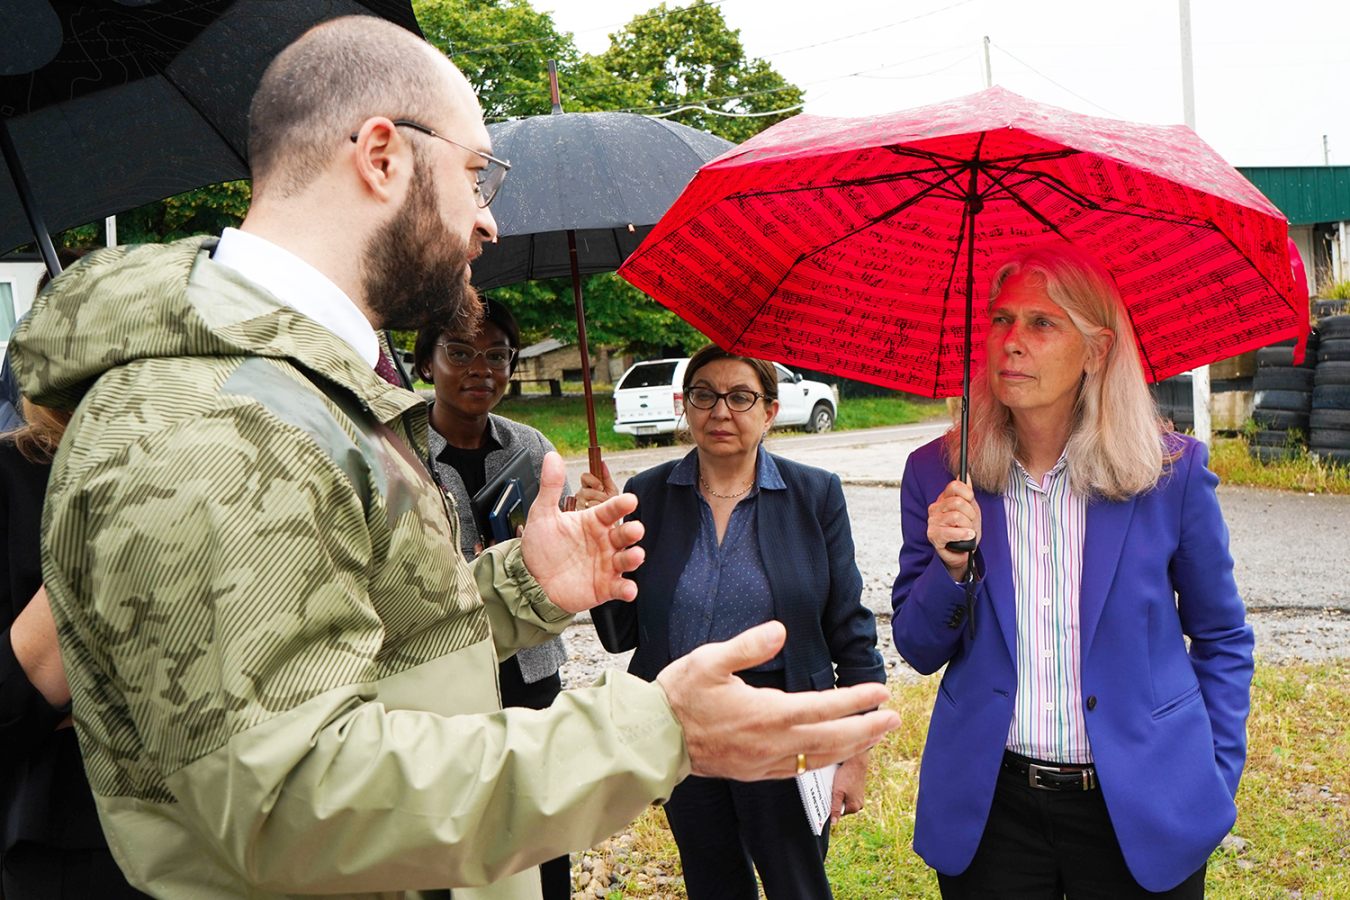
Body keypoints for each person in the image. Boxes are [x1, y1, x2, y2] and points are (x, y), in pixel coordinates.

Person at [9, 17, 898, 900]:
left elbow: (348, 645)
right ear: (383, 157)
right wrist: (652, 730)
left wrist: (515, 593)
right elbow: (289, 801)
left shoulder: (303, 387)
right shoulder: (215, 414)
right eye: (477, 176)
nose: (489, 221)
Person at [890, 244, 1253, 899]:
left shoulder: (1169, 475)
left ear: (1096, 349)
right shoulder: (939, 474)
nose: (1011, 343)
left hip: (1141, 803)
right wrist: (948, 565)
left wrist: (1214, 772)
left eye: (1041, 323)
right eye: (1000, 321)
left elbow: (1223, 637)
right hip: (993, 809)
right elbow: (918, 649)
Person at [578, 344, 885, 900]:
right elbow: (620, 633)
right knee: (711, 880)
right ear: (685, 405)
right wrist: (602, 548)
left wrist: (854, 755)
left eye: (741, 397)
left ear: (769, 410)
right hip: (683, 727)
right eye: (704, 395)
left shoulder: (814, 495)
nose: (721, 411)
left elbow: (852, 631)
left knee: (798, 883)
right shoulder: (646, 495)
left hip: (785, 725)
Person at [412, 298, 572, 900]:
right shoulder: (400, 450)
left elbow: (556, 552)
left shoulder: (531, 448)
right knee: (460, 820)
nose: (480, 368)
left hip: (529, 669)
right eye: (458, 352)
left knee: (539, 812)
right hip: (442, 671)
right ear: (426, 362)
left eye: (497, 356)